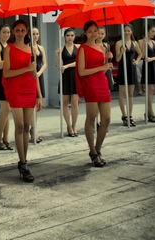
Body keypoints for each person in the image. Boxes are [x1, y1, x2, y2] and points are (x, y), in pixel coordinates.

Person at [3, 19, 43, 183]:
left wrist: (39, 95)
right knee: (19, 126)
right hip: (16, 90)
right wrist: (26, 68)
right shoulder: (9, 49)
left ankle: (23, 160)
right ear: (13, 31)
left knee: (27, 126)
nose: (20, 33)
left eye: (23, 30)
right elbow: (6, 73)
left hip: (30, 89)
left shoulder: (32, 49)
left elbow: (35, 74)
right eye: (17, 30)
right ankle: (23, 163)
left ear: (27, 32)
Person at [75, 20, 113, 167]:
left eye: (95, 30)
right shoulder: (83, 48)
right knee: (91, 118)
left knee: (107, 119)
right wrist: (102, 66)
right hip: (90, 84)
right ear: (85, 33)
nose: (93, 33)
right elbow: (81, 71)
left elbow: (103, 69)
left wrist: (107, 62)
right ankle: (92, 150)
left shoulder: (103, 47)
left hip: (103, 83)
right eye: (89, 31)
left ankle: (97, 150)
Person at [115, 24, 142, 127]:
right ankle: (124, 115)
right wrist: (121, 52)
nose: (126, 32)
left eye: (128, 30)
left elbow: (140, 54)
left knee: (130, 94)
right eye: (125, 30)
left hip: (131, 68)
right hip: (123, 68)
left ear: (132, 32)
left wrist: (137, 61)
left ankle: (130, 116)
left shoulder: (135, 43)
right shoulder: (119, 43)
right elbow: (117, 59)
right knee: (122, 93)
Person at [55, 28, 80, 137]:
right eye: (68, 35)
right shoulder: (61, 48)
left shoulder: (78, 48)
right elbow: (57, 66)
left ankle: (74, 125)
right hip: (65, 77)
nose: (70, 37)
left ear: (74, 37)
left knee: (75, 102)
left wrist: (67, 65)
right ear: (64, 37)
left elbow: (79, 62)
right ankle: (68, 126)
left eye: (72, 35)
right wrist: (57, 55)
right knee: (64, 103)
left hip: (75, 76)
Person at [138, 25, 155, 123]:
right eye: (152, 31)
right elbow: (142, 55)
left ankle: (148, 111)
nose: (154, 33)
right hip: (147, 66)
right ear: (147, 31)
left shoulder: (154, 42)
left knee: (153, 89)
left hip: (154, 65)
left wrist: (152, 59)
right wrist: (144, 43)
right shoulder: (141, 41)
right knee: (149, 90)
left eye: (154, 32)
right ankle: (150, 112)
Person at [30, 27, 47, 143]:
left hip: (39, 75)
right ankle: (33, 130)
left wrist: (39, 73)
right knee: (33, 104)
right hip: (31, 76)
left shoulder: (41, 48)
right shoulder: (28, 48)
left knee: (37, 105)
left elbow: (45, 63)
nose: (36, 36)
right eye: (33, 34)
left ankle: (34, 128)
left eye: (37, 33)